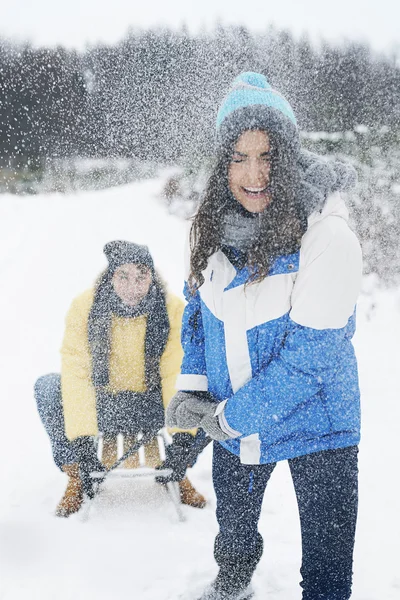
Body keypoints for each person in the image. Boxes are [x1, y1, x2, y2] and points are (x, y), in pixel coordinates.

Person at [167, 72, 362, 600]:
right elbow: (198, 314)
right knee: (233, 528)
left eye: (268, 156)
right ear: (221, 163)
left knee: (325, 567)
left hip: (319, 422)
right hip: (237, 417)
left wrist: (228, 417)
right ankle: (234, 582)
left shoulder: (327, 232)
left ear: (290, 159)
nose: (254, 174)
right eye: (238, 157)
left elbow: (312, 359)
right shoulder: (212, 227)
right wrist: (193, 386)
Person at [35, 240, 207, 517]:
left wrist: (183, 439)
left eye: (142, 276)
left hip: (151, 406)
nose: (132, 286)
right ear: (110, 275)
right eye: (123, 276)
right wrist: (82, 440)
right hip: (105, 404)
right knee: (47, 388)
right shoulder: (85, 306)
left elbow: (176, 371)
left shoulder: (171, 308)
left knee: (209, 388)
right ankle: (78, 474)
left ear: (152, 276)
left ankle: (179, 469)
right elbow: (77, 374)